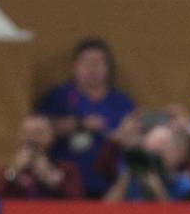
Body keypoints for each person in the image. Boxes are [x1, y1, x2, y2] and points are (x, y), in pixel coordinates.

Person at [38, 38, 136, 199]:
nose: (92, 69)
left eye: (98, 63)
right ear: (74, 67)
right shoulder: (59, 97)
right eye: (87, 63)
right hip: (65, 189)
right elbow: (42, 128)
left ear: (108, 68)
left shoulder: (121, 101)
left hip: (111, 191)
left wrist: (122, 137)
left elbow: (136, 136)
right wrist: (80, 124)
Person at [0, 113, 84, 200]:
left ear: (51, 136)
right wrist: (14, 171)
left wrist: (48, 175)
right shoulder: (9, 171)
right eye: (26, 133)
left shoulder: (68, 170)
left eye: (38, 133)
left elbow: (76, 202)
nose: (31, 139)